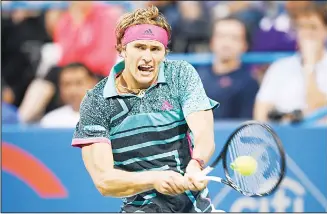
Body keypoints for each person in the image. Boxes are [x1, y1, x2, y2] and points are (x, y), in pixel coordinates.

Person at [71, 6, 220, 213]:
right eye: (139, 47)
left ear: (164, 53)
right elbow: (104, 180)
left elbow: (204, 132)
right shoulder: (97, 101)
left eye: (155, 49)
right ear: (122, 50)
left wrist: (196, 163)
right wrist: (154, 179)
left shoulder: (180, 74)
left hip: (196, 208)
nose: (148, 57)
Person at [254, 2, 327, 122]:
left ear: (325, 31)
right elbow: (261, 112)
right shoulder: (280, 67)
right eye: (302, 27)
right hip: (282, 137)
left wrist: (309, 66)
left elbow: (317, 108)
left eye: (313, 27)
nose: (307, 33)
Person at [197, 17, 259, 119]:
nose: (226, 43)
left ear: (244, 45)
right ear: (212, 41)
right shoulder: (197, 78)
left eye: (234, 38)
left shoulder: (249, 83)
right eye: (221, 36)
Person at [40, 63, 98, 128]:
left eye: (79, 83)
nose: (73, 90)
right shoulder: (50, 121)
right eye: (67, 84)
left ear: (94, 83)